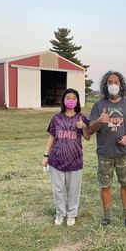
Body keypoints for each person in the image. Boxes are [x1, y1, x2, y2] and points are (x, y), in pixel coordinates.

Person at [89, 71, 126, 229]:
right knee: (105, 185)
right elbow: (90, 129)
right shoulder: (99, 105)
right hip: (105, 153)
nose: (113, 85)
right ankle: (107, 217)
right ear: (106, 85)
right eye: (110, 82)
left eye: (116, 82)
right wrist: (99, 120)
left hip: (123, 153)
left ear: (121, 84)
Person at [42, 88, 90, 226]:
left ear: (77, 101)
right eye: (68, 97)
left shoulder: (82, 118)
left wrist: (83, 127)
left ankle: (71, 214)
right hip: (56, 159)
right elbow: (52, 137)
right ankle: (60, 213)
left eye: (73, 98)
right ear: (63, 100)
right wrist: (46, 155)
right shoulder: (56, 118)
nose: (70, 100)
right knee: (57, 189)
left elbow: (87, 137)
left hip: (75, 160)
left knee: (73, 190)